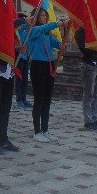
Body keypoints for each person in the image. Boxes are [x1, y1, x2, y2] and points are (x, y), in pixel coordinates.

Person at [0, 15, 29, 154]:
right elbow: (0, 44)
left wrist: (18, 50)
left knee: (5, 107)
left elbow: (9, 50)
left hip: (9, 72)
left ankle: (3, 138)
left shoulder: (14, 34)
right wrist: (24, 20)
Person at [27, 9, 65, 142]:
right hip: (37, 66)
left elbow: (58, 44)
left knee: (47, 99)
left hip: (49, 66)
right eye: (42, 15)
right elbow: (44, 27)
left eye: (45, 15)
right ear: (35, 18)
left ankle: (45, 129)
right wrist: (57, 23)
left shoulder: (46, 34)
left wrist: (63, 44)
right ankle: (37, 131)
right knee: (39, 99)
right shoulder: (32, 31)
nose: (44, 17)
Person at [74, 26, 97, 131]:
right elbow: (83, 48)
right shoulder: (80, 31)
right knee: (89, 94)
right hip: (88, 65)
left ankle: (94, 118)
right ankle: (88, 121)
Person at [14, 13, 32, 109]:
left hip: (25, 58)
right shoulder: (18, 30)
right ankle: (19, 99)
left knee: (25, 80)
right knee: (19, 79)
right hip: (18, 57)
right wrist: (27, 21)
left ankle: (24, 99)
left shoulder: (25, 32)